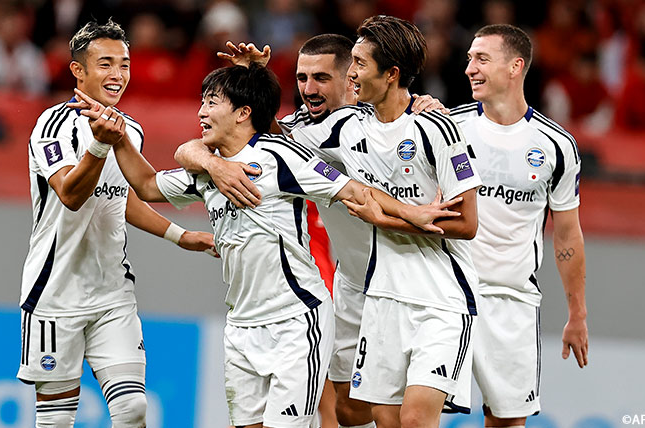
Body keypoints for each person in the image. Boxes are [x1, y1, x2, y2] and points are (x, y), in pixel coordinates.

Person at [69, 61, 463, 428]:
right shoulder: (209, 169)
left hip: (296, 320)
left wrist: (411, 212)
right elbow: (147, 185)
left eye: (212, 103)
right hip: (241, 326)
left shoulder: (279, 156)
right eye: (202, 103)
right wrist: (117, 137)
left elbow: (354, 190)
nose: (201, 113)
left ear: (243, 113)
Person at [175, 35, 449, 428]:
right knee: (347, 410)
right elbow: (224, 142)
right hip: (353, 282)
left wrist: (428, 109)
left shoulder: (389, 123)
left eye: (321, 78)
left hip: (413, 277)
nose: (308, 88)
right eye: (301, 78)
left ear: (351, 78)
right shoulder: (296, 131)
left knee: (405, 414)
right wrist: (251, 84)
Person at [17, 19, 215, 428]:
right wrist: (99, 144)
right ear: (78, 71)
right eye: (105, 64)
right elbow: (70, 194)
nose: (117, 74)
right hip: (55, 293)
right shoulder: (51, 126)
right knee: (56, 421)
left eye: (124, 64)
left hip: (113, 293)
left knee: (133, 409)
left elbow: (120, 198)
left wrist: (179, 235)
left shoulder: (130, 130)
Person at [290, 16, 482, 428]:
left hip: (440, 298)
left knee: (414, 419)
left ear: (391, 74)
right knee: (379, 418)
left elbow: (467, 223)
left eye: (359, 64)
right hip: (381, 298)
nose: (351, 74)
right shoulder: (345, 127)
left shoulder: (438, 128)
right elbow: (275, 142)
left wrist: (388, 221)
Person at [451, 23, 588, 427]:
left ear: (515, 66)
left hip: (512, 302)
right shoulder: (448, 129)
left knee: (507, 421)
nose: (470, 68)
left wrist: (577, 314)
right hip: (449, 294)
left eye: (482, 59)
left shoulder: (556, 146)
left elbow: (567, 235)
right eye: (469, 59)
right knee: (415, 413)